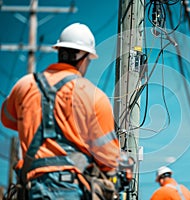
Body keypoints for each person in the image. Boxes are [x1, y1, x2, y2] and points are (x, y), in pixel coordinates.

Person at [1, 22, 120, 199]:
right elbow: (108, 158)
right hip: (70, 189)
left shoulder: (24, 86)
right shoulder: (94, 96)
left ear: (59, 51)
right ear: (85, 58)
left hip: (30, 187)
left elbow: (8, 120)